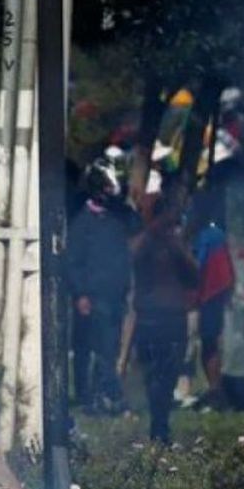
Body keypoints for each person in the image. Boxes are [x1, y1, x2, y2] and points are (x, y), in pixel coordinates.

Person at [66, 158, 137, 415]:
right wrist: (81, 294)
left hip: (116, 294)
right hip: (94, 297)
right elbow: (73, 262)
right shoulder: (82, 224)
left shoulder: (117, 219)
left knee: (111, 347)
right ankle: (108, 396)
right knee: (99, 349)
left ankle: (100, 395)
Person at [131, 211, 198, 444]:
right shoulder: (145, 244)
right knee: (155, 375)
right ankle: (158, 424)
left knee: (165, 375)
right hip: (155, 316)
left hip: (167, 316)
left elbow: (191, 271)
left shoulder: (172, 245)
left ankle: (160, 424)